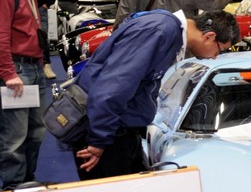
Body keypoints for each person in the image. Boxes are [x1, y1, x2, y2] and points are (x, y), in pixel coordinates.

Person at [73, 10, 239, 178]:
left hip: (111, 128)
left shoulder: (163, 28)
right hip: (105, 133)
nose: (214, 57)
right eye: (220, 50)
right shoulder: (159, 32)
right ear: (209, 37)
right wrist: (99, 140)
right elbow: (114, 86)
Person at [0, 0, 52, 189]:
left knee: (37, 132)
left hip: (33, 68)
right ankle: (13, 187)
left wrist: (40, 64)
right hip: (17, 70)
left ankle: (28, 182)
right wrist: (8, 73)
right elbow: (1, 36)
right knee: (15, 136)